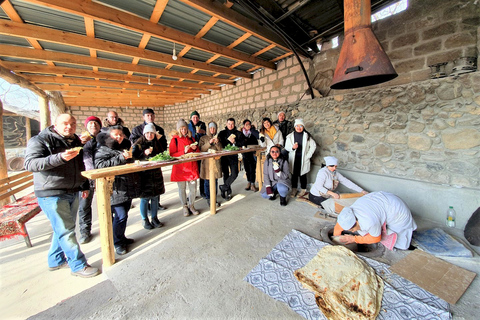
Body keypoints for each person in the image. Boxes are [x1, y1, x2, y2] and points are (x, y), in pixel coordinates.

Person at [24, 114, 100, 278]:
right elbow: (30, 164)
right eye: (65, 124)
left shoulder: (75, 141)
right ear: (55, 124)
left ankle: (55, 260)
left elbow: (79, 165)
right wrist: (58, 158)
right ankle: (78, 265)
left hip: (72, 190)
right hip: (52, 193)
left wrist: (84, 184)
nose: (69, 127)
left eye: (73, 124)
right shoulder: (40, 140)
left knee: (64, 228)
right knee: (66, 231)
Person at [95, 126, 142, 255]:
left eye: (121, 135)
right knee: (120, 216)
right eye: (116, 135)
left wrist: (130, 158)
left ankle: (121, 237)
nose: (119, 137)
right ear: (109, 136)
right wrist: (122, 157)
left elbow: (128, 162)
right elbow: (99, 165)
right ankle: (117, 243)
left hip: (126, 185)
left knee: (124, 214)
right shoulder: (103, 148)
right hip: (114, 187)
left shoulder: (124, 146)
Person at [334, 191, 418, 250]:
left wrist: (354, 239)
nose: (352, 231)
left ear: (356, 221)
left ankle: (407, 247)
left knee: (399, 238)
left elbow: (375, 238)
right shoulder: (348, 214)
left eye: (352, 229)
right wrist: (336, 239)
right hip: (383, 200)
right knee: (367, 231)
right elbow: (339, 226)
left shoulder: (369, 221)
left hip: (397, 212)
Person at [132, 123, 166, 230]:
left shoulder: (157, 143)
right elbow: (133, 158)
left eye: (152, 133)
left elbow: (162, 153)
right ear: (144, 133)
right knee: (145, 199)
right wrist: (144, 154)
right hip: (144, 175)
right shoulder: (138, 144)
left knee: (155, 197)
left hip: (155, 174)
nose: (150, 135)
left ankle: (155, 218)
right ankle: (145, 219)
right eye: (147, 133)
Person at [77, 115, 102, 244]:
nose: (93, 126)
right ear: (86, 126)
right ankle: (85, 231)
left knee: (107, 203)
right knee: (85, 205)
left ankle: (107, 226)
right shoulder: (80, 139)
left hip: (102, 175)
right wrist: (80, 144)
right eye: (91, 124)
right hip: (86, 177)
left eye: (96, 124)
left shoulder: (103, 138)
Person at [169, 119, 201, 216]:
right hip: (180, 168)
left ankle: (191, 205)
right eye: (182, 129)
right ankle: (184, 206)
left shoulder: (191, 138)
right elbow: (172, 154)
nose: (184, 131)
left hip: (191, 167)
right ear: (179, 129)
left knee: (193, 189)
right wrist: (184, 151)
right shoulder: (174, 140)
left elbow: (198, 153)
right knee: (182, 189)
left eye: (185, 128)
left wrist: (195, 149)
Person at [284, 119, 316, 198]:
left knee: (303, 175)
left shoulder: (307, 136)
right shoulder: (290, 136)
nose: (299, 127)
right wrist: (292, 147)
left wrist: (308, 156)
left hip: (303, 159)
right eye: (297, 126)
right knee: (294, 175)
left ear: (303, 127)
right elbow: (286, 147)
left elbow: (313, 146)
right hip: (294, 159)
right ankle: (294, 189)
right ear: (295, 127)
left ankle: (303, 190)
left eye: (301, 126)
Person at [218, 118, 244, 200]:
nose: (230, 125)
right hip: (224, 157)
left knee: (234, 173)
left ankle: (223, 187)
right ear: (226, 124)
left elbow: (243, 142)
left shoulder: (238, 133)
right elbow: (219, 143)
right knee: (226, 174)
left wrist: (235, 142)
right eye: (229, 124)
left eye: (232, 124)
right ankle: (228, 192)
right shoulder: (222, 133)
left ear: (234, 124)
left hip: (233, 156)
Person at [198, 121, 223, 207]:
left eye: (214, 128)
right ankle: (209, 198)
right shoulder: (203, 138)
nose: (212, 130)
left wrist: (217, 143)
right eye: (211, 128)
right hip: (206, 163)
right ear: (208, 129)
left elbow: (221, 150)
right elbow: (201, 149)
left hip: (216, 163)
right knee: (207, 182)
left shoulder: (218, 138)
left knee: (215, 181)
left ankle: (214, 198)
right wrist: (209, 143)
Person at [188, 110, 207, 198]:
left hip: (201, 150)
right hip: (192, 151)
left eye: (197, 117)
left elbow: (205, 134)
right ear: (191, 118)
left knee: (202, 171)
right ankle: (192, 193)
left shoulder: (202, 124)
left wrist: (202, 132)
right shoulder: (188, 126)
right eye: (193, 117)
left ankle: (202, 191)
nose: (195, 119)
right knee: (192, 173)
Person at [240, 119, 259, 191]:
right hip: (245, 154)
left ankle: (253, 184)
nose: (248, 126)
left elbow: (256, 141)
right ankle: (248, 182)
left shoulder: (253, 132)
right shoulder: (242, 134)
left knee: (252, 169)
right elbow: (241, 143)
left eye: (249, 124)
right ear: (244, 126)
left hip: (252, 154)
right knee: (247, 169)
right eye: (246, 124)